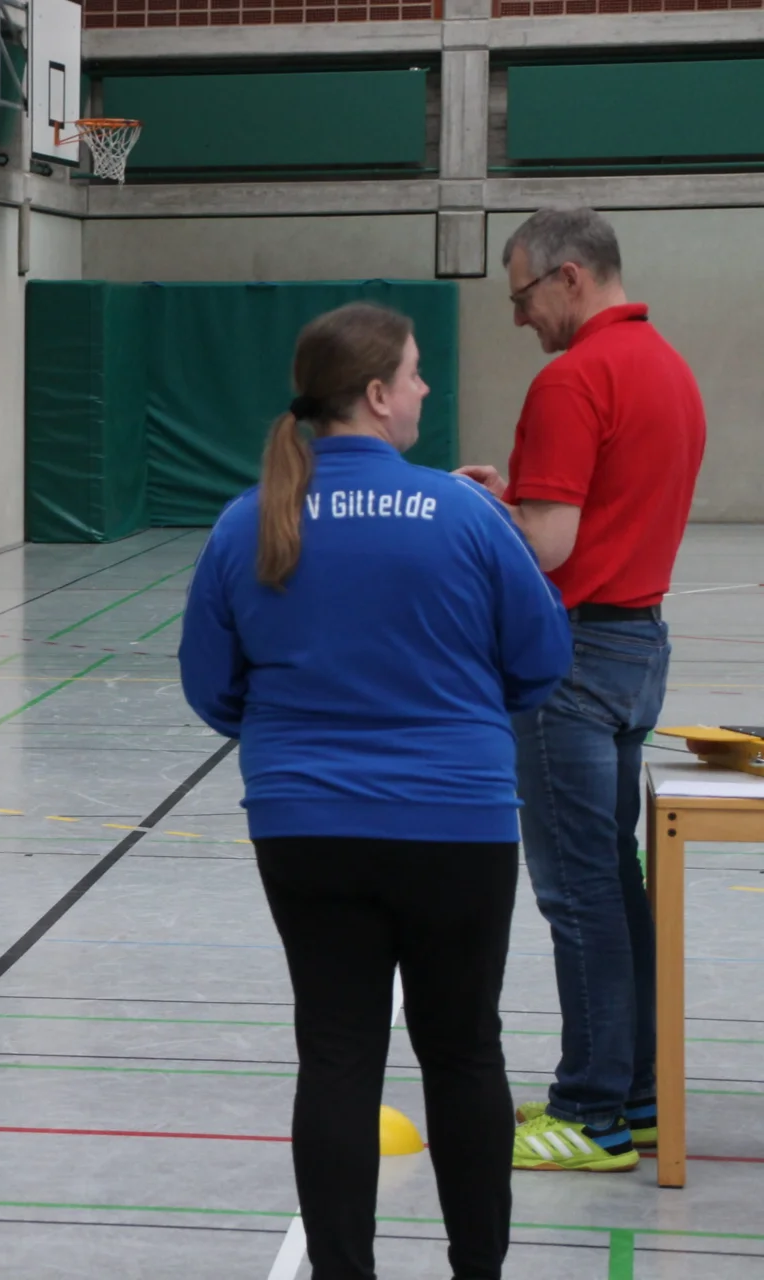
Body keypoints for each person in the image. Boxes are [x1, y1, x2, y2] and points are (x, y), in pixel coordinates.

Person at [179, 302, 572, 1280]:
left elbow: (210, 687)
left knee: (338, 1054)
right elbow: (541, 659)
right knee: (464, 1051)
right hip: (457, 823)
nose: (425, 388)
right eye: (415, 372)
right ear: (377, 394)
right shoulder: (466, 514)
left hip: (304, 824)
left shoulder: (245, 521)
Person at [454, 207, 706, 1174]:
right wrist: (515, 499)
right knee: (614, 878)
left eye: (522, 296)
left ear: (568, 276)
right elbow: (591, 515)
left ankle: (590, 1111)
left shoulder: (572, 377)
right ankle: (635, 1096)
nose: (520, 317)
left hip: (572, 659)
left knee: (578, 892)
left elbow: (551, 546)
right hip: (639, 648)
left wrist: (479, 507)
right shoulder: (668, 368)